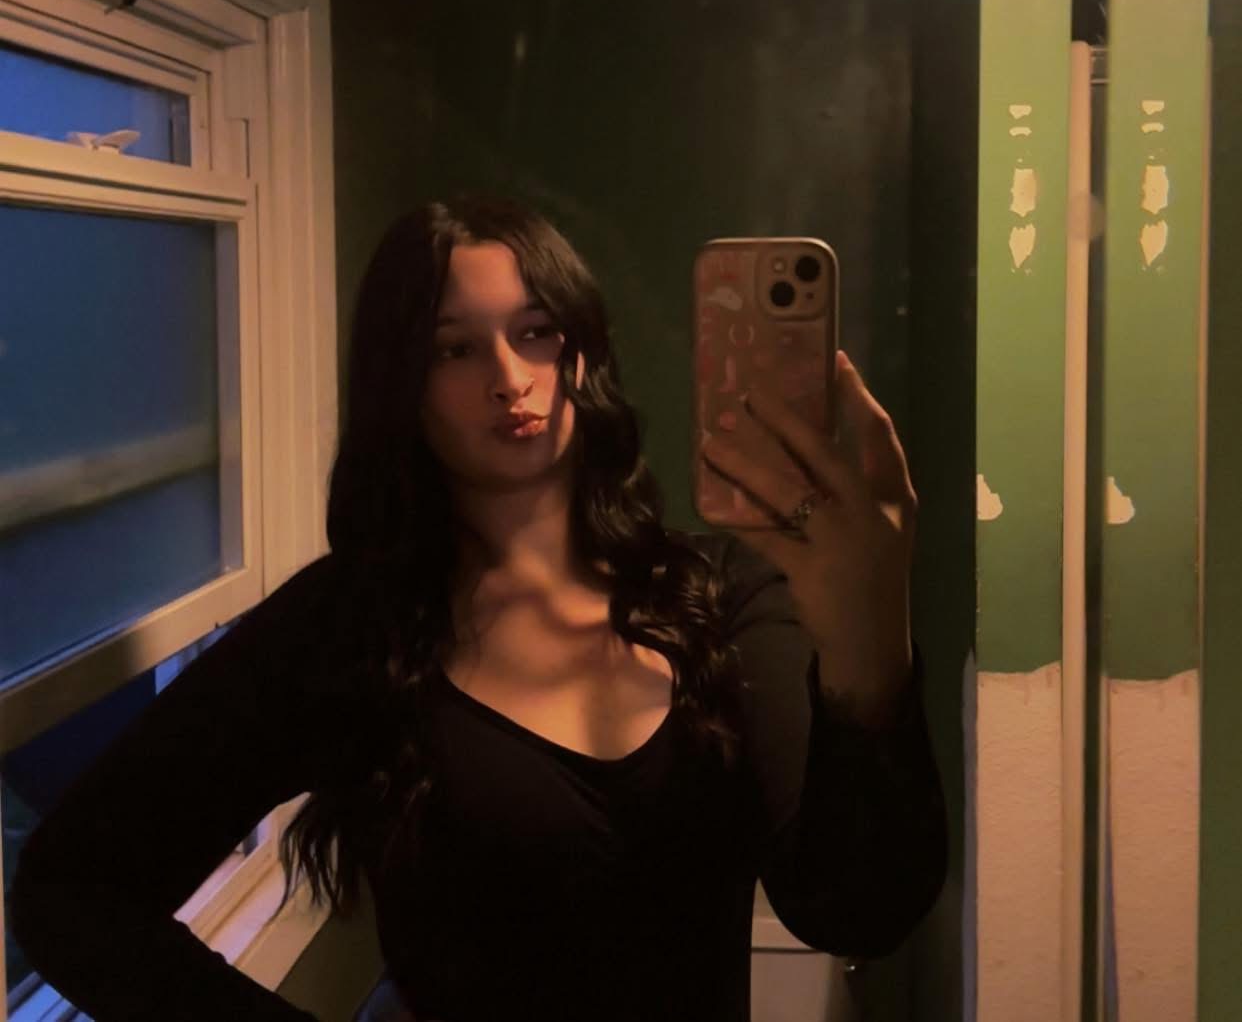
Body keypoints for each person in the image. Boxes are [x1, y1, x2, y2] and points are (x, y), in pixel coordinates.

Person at [10, 193, 948, 1022]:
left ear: (582, 350)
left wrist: (869, 629)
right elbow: (71, 891)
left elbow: (856, 910)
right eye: (454, 348)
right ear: (401, 383)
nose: (509, 376)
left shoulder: (719, 593)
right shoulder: (351, 625)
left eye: (536, 331)